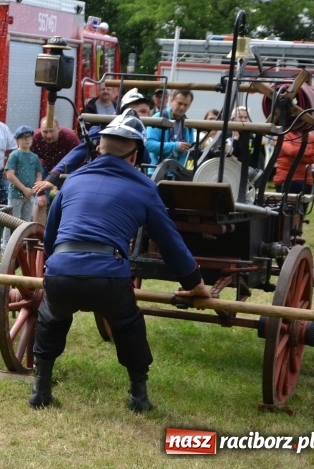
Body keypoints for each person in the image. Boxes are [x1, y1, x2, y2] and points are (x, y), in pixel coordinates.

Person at [29, 110, 210, 411]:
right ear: (135, 155)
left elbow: (50, 236)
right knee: (128, 324)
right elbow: (170, 243)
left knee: (51, 316)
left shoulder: (72, 181)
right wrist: (195, 283)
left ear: (99, 148)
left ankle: (40, 390)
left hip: (61, 271)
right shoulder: (145, 188)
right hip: (109, 278)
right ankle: (139, 396)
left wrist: (56, 269)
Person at [34, 88, 153, 195]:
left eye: (148, 112)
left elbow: (146, 160)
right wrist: (54, 177)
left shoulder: (139, 140)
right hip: (98, 184)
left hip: (126, 187)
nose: (147, 116)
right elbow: (77, 153)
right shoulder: (102, 131)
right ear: (126, 112)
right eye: (142, 112)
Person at [30, 116, 79, 225]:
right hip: (45, 168)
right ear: (40, 130)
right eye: (45, 132)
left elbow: (79, 162)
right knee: (40, 202)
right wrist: (40, 193)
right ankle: (39, 232)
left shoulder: (70, 138)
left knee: (67, 203)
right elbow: (32, 166)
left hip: (67, 171)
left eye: (52, 131)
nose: (48, 135)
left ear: (59, 129)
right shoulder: (35, 138)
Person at [3, 125, 43, 249]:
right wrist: (24, 189)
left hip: (30, 194)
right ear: (17, 140)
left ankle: (21, 246)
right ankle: (6, 246)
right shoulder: (14, 155)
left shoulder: (34, 157)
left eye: (29, 137)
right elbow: (10, 174)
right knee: (12, 220)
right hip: (16, 194)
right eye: (24, 137)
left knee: (26, 221)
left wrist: (34, 189)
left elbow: (39, 174)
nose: (27, 140)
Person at [145, 89, 195, 167]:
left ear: (190, 105)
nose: (182, 107)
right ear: (172, 100)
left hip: (179, 171)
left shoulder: (188, 124)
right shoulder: (158, 117)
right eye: (179, 103)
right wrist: (176, 146)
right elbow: (149, 144)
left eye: (186, 105)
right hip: (157, 170)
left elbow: (189, 151)